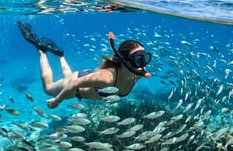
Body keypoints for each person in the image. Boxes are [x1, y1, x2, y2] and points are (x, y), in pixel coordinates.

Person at [17, 22, 152, 108]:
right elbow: (73, 84)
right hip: (76, 86)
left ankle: (60, 56)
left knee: (70, 77)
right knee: (48, 88)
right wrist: (57, 101)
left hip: (87, 78)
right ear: (124, 60)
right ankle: (42, 51)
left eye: (145, 58)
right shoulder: (106, 77)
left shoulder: (137, 75)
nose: (142, 66)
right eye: (137, 59)